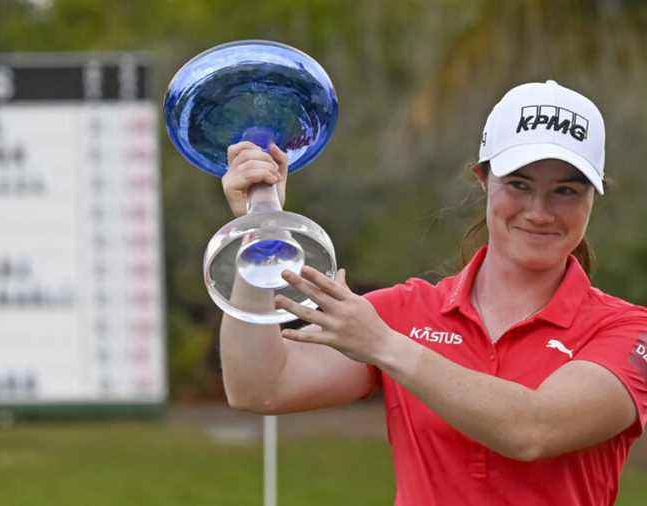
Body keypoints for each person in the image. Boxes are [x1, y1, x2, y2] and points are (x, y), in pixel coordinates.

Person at [219, 80, 647, 506]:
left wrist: (385, 345)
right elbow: (260, 386)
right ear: (483, 179)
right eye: (518, 184)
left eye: (566, 191)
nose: (539, 212)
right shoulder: (406, 310)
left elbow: (534, 430)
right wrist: (261, 231)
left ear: (594, 197)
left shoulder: (628, 331)